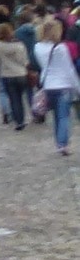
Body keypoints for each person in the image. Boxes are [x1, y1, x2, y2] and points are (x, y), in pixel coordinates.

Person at [38, 15, 79, 156]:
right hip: (63, 85)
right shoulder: (61, 48)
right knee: (64, 116)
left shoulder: (38, 47)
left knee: (56, 116)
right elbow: (69, 69)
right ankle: (63, 144)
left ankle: (58, 142)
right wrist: (77, 86)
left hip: (48, 85)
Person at [0, 19, 32, 132]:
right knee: (20, 97)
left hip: (7, 74)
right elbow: (25, 61)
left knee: (13, 99)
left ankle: (18, 121)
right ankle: (22, 118)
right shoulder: (19, 44)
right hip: (21, 74)